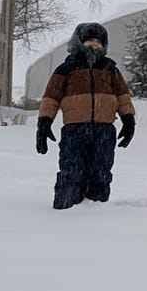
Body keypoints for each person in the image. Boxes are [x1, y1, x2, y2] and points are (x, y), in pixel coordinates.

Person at [36, 21, 136, 209]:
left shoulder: (110, 69)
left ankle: (96, 211)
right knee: (71, 171)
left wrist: (128, 120)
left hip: (104, 130)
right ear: (79, 41)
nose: (94, 45)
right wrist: (44, 124)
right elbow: (51, 98)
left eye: (98, 41)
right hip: (75, 130)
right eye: (90, 40)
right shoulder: (66, 69)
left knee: (101, 172)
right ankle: (65, 208)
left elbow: (123, 96)